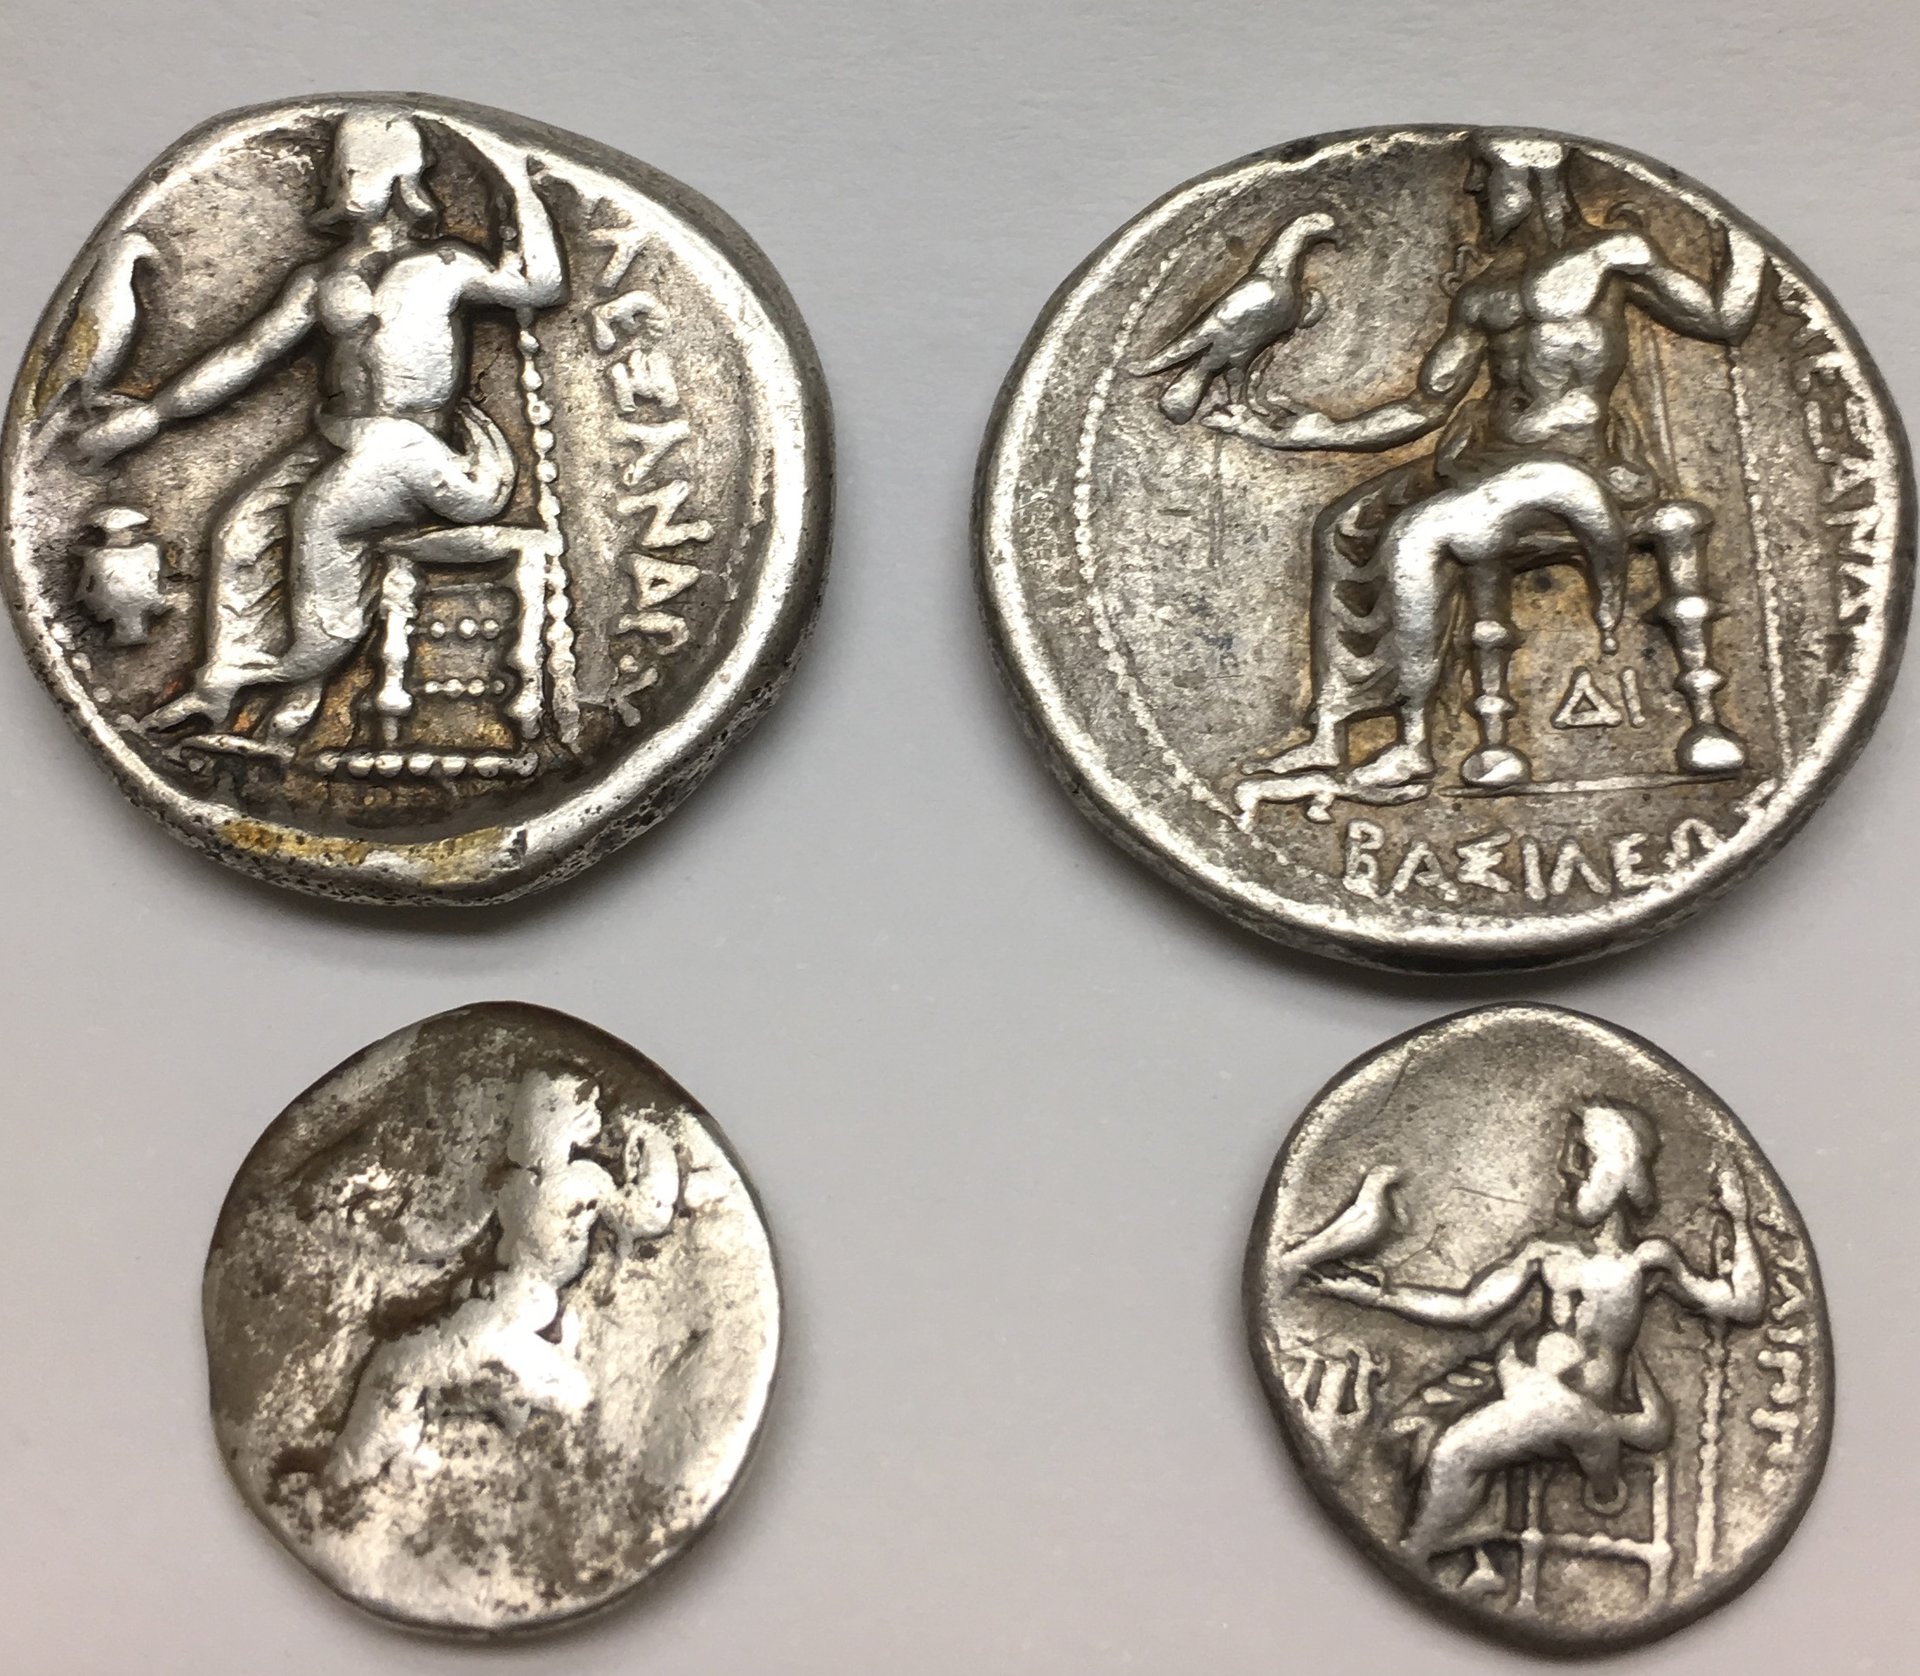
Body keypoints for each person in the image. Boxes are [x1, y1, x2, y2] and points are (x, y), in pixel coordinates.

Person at [1201, 134, 1764, 794]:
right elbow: (1426, 406)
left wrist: (1749, 243)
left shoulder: (1616, 256)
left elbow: (1725, 320)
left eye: (1484, 177)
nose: (1472, 190)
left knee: (1416, 536)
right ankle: (1333, 728)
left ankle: (1413, 746)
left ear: (1526, 179)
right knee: (1343, 523)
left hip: (1575, 467)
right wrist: (1314, 432)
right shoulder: (1483, 294)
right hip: (1488, 465)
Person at [75, 110, 565, 743]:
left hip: (419, 453)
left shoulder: (445, 266)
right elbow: (249, 355)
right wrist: (151, 416)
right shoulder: (321, 280)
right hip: (345, 439)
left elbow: (540, 285)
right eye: (342, 169)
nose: (343, 181)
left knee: (319, 520)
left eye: (356, 168)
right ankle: (221, 685)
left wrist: (518, 183)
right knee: (243, 529)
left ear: (400, 180)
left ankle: (283, 676)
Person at [1307, 1101, 1763, 1577]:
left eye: (1583, 1156)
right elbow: (1470, 1309)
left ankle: (1417, 1553)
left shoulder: (1649, 1262)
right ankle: (1457, 1551)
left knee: (1455, 1452)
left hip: (1571, 1410)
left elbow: (1744, 1305)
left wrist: (1739, 1219)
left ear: (1619, 1168)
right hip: (1531, 1396)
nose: (1568, 1169)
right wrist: (1381, 1296)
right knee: (1416, 1429)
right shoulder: (1545, 1253)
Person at [325, 1070, 677, 1487]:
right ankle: (375, 1453)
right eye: (588, 1103)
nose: (596, 1111)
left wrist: (399, 1228)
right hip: (498, 1313)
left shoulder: (534, 1181)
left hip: (505, 1315)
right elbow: (649, 1214)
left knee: (400, 1362)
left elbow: (448, 1237)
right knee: (404, 1362)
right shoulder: (560, 1180)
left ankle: (359, 1460)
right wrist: (656, 1144)